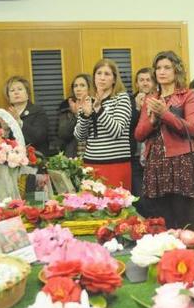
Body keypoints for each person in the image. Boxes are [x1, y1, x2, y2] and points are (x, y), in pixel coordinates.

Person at [135, 51, 194, 230]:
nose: (161, 72)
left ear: (176, 70)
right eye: (158, 68)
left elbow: (192, 129)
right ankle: (166, 256)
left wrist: (165, 114)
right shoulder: (151, 98)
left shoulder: (187, 96)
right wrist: (153, 122)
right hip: (155, 163)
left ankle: (188, 256)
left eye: (167, 68)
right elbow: (139, 134)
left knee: (184, 218)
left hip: (181, 161)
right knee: (162, 220)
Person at [74, 59, 133, 188]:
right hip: (91, 164)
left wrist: (98, 109)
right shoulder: (87, 100)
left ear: (114, 79)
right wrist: (85, 115)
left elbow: (117, 131)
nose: (102, 78)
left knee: (117, 206)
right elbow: (79, 136)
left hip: (116, 164)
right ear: (94, 77)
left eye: (107, 74)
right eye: (99, 73)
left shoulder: (121, 98)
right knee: (93, 206)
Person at [131, 68, 156, 216]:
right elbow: (129, 127)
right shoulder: (129, 100)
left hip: (153, 155)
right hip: (135, 155)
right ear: (136, 83)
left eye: (148, 79)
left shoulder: (158, 99)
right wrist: (137, 108)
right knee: (139, 197)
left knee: (154, 197)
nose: (145, 83)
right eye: (141, 80)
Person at [4, 76, 49, 154]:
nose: (16, 92)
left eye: (20, 89)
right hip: (11, 159)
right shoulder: (5, 115)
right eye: (12, 90)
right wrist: (5, 131)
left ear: (27, 94)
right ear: (8, 97)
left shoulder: (38, 111)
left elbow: (39, 137)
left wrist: (19, 122)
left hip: (35, 158)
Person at [57, 73, 93, 158]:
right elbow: (63, 134)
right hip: (73, 154)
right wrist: (75, 115)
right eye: (75, 86)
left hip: (93, 153)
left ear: (90, 87)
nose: (78, 89)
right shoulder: (66, 107)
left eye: (82, 85)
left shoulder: (97, 105)